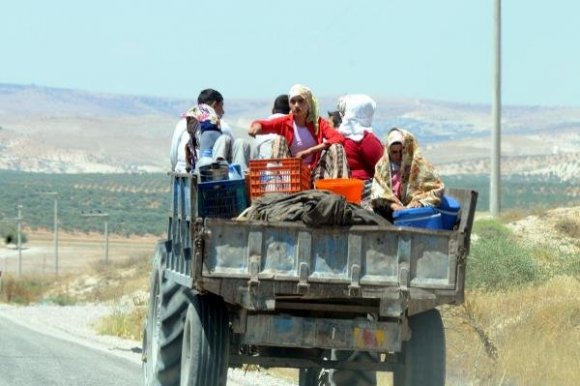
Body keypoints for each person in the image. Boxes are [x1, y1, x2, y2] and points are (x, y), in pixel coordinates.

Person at [248, 84, 349, 181]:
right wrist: (257, 126)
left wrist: (309, 151)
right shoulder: (285, 122)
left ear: (309, 103)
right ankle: (278, 188)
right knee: (278, 141)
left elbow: (339, 138)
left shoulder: (318, 123)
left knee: (337, 148)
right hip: (291, 173)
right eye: (293, 101)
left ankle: (339, 187)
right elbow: (266, 124)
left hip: (315, 172)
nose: (296, 105)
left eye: (301, 101)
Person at [370, 127, 444, 221]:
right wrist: (393, 205)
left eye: (402, 151)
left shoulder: (420, 166)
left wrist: (420, 201)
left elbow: (437, 188)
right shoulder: (382, 168)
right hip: (389, 214)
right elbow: (377, 194)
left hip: (416, 216)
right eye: (394, 152)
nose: (398, 156)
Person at [169, 88, 249, 173]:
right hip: (213, 176)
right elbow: (233, 154)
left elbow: (173, 156)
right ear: (215, 105)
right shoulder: (222, 126)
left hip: (183, 173)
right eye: (221, 106)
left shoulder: (182, 124)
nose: (223, 111)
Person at [335, 94, 384, 205]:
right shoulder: (364, 138)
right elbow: (383, 166)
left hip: (343, 188)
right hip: (363, 189)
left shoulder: (340, 135)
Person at [252, 94, 290, 159]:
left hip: (264, 167)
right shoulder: (293, 125)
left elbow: (255, 156)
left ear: (273, 110)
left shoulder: (261, 126)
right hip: (289, 167)